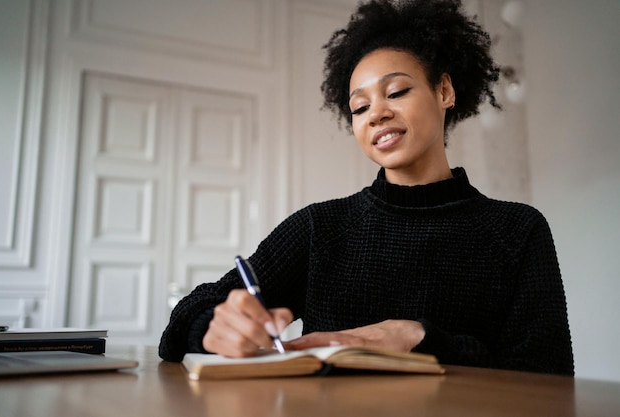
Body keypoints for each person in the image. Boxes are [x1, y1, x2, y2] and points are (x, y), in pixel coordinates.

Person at [159, 0, 574, 376]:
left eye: (396, 91)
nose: (376, 114)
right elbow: (184, 320)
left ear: (444, 90)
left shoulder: (517, 230)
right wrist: (213, 329)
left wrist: (417, 338)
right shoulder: (320, 227)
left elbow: (549, 377)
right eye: (359, 107)